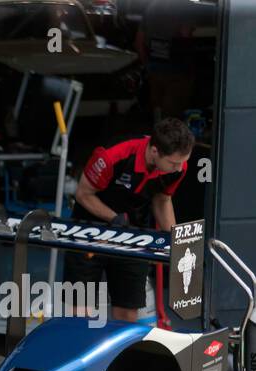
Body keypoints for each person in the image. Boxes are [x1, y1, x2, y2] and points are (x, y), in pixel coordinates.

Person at [65, 118, 194, 324]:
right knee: (80, 313)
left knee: (127, 314)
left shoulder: (178, 167)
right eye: (173, 163)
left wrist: (177, 239)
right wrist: (114, 218)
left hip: (133, 235)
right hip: (88, 231)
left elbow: (162, 199)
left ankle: (123, 357)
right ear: (154, 151)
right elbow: (83, 194)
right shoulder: (111, 156)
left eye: (182, 162)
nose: (179, 168)